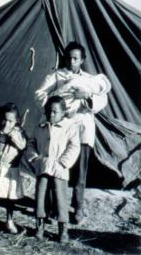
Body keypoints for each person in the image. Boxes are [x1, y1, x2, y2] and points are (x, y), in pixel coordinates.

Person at [35, 41, 111, 224]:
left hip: (83, 127)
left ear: (82, 60)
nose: (72, 61)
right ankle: (55, 208)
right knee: (57, 167)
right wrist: (57, 104)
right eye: (69, 58)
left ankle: (78, 208)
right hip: (63, 128)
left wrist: (86, 97)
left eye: (76, 58)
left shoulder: (90, 80)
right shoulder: (56, 76)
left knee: (80, 173)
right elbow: (39, 94)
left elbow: (102, 99)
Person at [27, 96, 80, 243]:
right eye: (49, 111)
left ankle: (63, 229)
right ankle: (40, 226)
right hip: (43, 166)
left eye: (55, 112)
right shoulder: (40, 126)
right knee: (41, 197)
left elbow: (74, 146)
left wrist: (63, 162)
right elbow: (31, 143)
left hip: (59, 168)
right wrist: (35, 159)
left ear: (63, 112)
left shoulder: (70, 127)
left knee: (60, 199)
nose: (51, 115)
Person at [0, 103, 27, 234]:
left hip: (11, 169)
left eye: (10, 121)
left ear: (16, 121)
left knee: (10, 196)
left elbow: (22, 146)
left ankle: (9, 220)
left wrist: (14, 136)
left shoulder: (18, 133)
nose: (6, 124)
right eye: (5, 119)